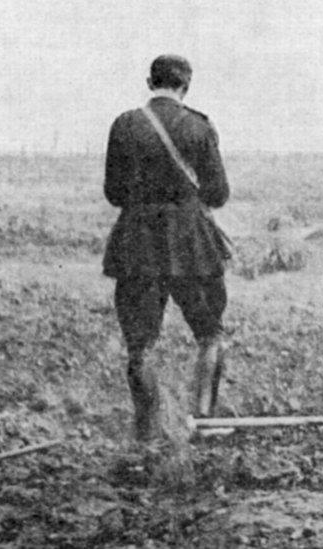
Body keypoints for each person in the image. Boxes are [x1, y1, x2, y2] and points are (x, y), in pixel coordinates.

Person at [103, 54, 231, 442]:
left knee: (139, 345)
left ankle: (147, 430)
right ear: (186, 85)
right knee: (211, 334)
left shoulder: (125, 125)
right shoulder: (199, 127)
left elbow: (113, 192)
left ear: (149, 81)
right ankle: (204, 420)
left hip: (137, 244)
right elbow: (219, 193)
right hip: (192, 243)